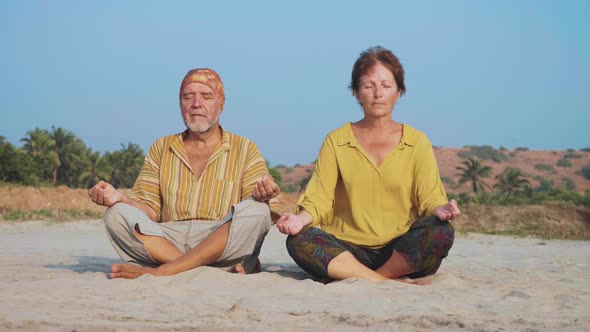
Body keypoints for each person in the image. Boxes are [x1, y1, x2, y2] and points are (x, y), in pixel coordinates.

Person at [276, 47, 460, 283]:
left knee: (441, 231)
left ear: (399, 92)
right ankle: (382, 281)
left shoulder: (417, 142)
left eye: (386, 85)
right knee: (299, 240)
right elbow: (319, 197)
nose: (378, 93)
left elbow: (429, 197)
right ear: (356, 93)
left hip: (400, 250)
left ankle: (374, 278)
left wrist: (441, 210)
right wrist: (298, 220)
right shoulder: (336, 141)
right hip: (349, 251)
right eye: (368, 86)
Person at [89, 68, 281, 279]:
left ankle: (165, 270)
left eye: (206, 96)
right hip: (169, 239)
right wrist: (120, 198)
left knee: (258, 210)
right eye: (188, 97)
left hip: (219, 240)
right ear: (181, 104)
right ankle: (202, 269)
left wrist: (264, 194)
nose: (196, 103)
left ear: (221, 104)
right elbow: (150, 210)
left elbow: (256, 212)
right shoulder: (161, 147)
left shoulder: (245, 148)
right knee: (115, 214)